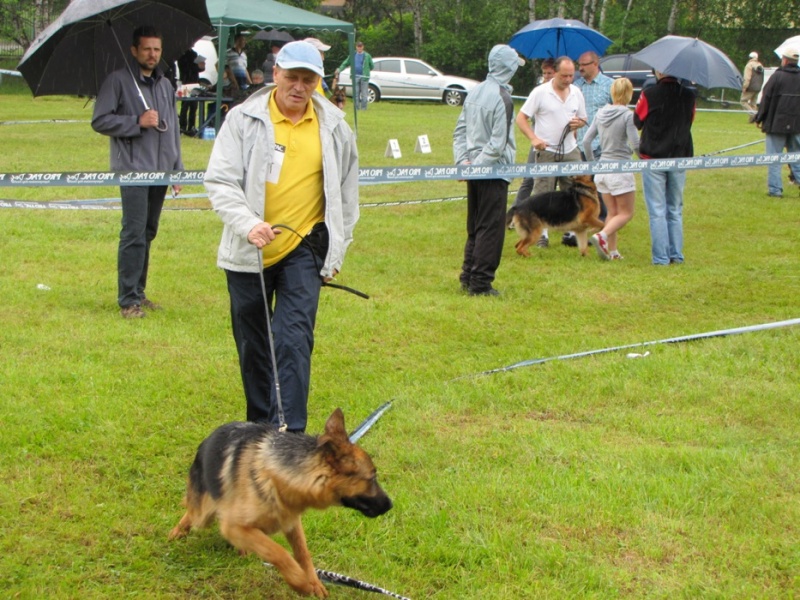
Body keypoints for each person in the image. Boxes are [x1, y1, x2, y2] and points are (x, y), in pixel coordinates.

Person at [204, 41, 359, 432]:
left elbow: (347, 195)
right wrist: (247, 223)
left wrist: (336, 252)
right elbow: (220, 181)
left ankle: (289, 436)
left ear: (319, 82)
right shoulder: (242, 120)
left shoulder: (336, 127)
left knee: (293, 339)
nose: (299, 87)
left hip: (304, 247)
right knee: (254, 346)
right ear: (275, 74)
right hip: (248, 250)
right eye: (292, 77)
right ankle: (260, 432)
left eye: (309, 80)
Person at [92, 25, 182, 319]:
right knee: (133, 232)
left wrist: (177, 170)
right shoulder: (117, 81)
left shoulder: (165, 85)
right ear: (134, 51)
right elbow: (100, 120)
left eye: (157, 49)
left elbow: (173, 129)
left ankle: (139, 292)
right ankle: (128, 300)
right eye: (147, 49)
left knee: (148, 231)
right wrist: (136, 122)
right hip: (133, 171)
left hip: (161, 171)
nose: (152, 54)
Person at [453, 44, 524, 297]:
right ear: (509, 68)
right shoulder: (503, 98)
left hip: (475, 168)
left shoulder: (474, 92)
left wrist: (464, 163)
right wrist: (473, 167)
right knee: (490, 228)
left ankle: (468, 276)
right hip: (493, 171)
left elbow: (459, 132)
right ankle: (480, 283)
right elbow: (497, 143)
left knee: (475, 226)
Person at [513, 56, 587, 247]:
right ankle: (542, 235)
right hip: (546, 150)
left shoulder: (576, 92)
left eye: (571, 76)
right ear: (555, 73)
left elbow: (583, 118)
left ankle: (570, 233)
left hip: (570, 149)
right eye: (564, 76)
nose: (568, 79)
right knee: (543, 192)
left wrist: (579, 123)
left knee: (574, 191)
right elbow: (521, 118)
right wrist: (534, 139)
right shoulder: (540, 92)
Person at [634, 71, 696, 265]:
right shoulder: (689, 95)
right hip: (679, 155)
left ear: (659, 72)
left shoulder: (649, 94)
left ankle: (661, 257)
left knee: (657, 210)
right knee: (675, 208)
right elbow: (690, 120)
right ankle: (676, 254)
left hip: (653, 156)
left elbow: (637, 121)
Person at [584, 77, 640, 260]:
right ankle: (602, 235)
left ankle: (612, 251)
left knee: (613, 213)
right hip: (620, 169)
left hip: (602, 169)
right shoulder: (628, 115)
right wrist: (642, 159)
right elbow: (635, 143)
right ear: (629, 94)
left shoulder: (600, 113)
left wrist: (593, 164)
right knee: (626, 213)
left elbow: (586, 141)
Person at [506, 58, 555, 235]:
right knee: (528, 179)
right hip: (538, 142)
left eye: (550, 73)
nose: (547, 76)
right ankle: (512, 216)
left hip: (558, 145)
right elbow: (526, 116)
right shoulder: (539, 91)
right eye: (545, 73)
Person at [574, 49, 613, 237]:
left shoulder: (609, 85)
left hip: (601, 145)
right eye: (579, 64)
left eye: (584, 64)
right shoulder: (575, 86)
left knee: (601, 184)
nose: (580, 68)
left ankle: (603, 220)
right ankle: (581, 219)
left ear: (595, 64)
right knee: (582, 185)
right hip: (579, 145)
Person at [752, 47, 800, 198]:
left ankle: (775, 190)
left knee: (774, 158)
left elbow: (766, 99)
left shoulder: (777, 76)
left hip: (776, 124)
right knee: (797, 158)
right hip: (797, 125)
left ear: (784, 60)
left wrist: (759, 117)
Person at [336, 41, 374, 111]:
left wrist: (366, 71)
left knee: (364, 93)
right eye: (358, 46)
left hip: (364, 77)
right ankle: (356, 108)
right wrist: (339, 69)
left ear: (363, 47)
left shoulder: (367, 56)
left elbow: (372, 66)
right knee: (356, 93)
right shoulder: (352, 55)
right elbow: (345, 63)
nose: (359, 48)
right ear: (356, 47)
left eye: (360, 46)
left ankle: (364, 109)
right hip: (355, 76)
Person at [177, 48, 204, 136]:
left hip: (194, 82)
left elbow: (199, 69)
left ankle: (190, 126)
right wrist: (197, 66)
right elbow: (186, 68)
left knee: (193, 106)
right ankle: (183, 126)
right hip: (186, 82)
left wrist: (201, 66)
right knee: (185, 105)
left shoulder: (194, 53)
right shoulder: (182, 55)